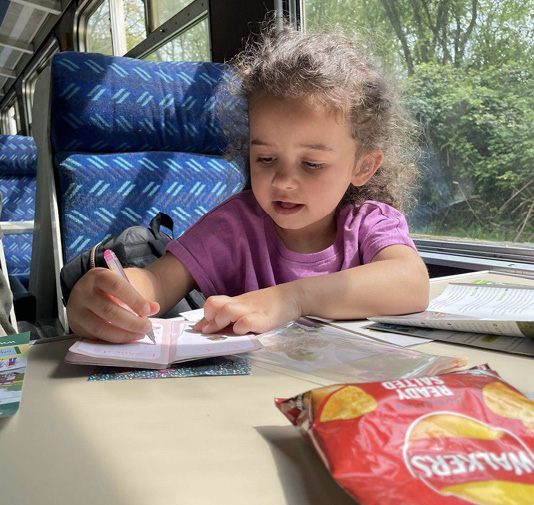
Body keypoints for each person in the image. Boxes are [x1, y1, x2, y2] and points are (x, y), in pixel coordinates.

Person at [66, 23, 430, 343]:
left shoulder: (369, 223)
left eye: (312, 164)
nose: (285, 181)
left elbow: (410, 283)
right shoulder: (234, 226)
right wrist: (110, 294)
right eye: (266, 159)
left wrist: (293, 299)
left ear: (363, 166)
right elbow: (157, 284)